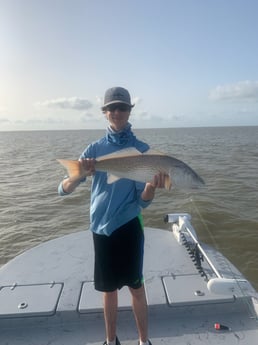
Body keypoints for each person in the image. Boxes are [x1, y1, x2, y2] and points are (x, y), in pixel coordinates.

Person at [58, 87, 168, 345]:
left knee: (136, 287)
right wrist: (79, 175)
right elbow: (63, 190)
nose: (117, 112)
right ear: (105, 113)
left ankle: (144, 341)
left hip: (130, 225)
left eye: (123, 108)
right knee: (108, 291)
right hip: (101, 229)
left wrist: (151, 188)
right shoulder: (94, 149)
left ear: (130, 111)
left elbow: (143, 204)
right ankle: (110, 341)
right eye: (113, 108)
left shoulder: (142, 151)